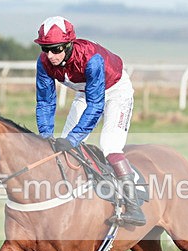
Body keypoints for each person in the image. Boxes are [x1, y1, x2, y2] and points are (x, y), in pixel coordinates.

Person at [34, 15, 145, 227]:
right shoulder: (44, 63)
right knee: (60, 145)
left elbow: (96, 106)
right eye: (45, 49)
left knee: (109, 145)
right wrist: (45, 136)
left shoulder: (90, 59)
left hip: (115, 91)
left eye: (56, 49)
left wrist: (75, 138)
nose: (50, 55)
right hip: (86, 92)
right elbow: (45, 102)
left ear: (68, 45)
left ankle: (134, 206)